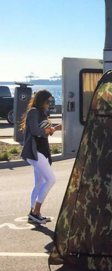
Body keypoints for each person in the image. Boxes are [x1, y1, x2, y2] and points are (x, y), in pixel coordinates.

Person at [19, 90, 61, 224]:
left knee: (39, 183)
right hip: (35, 151)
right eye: (48, 101)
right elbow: (35, 130)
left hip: (41, 150)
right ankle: (35, 211)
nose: (50, 103)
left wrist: (53, 129)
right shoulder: (33, 112)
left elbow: (43, 132)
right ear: (42, 100)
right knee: (51, 180)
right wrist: (49, 130)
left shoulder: (42, 113)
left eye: (51, 101)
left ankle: (32, 214)